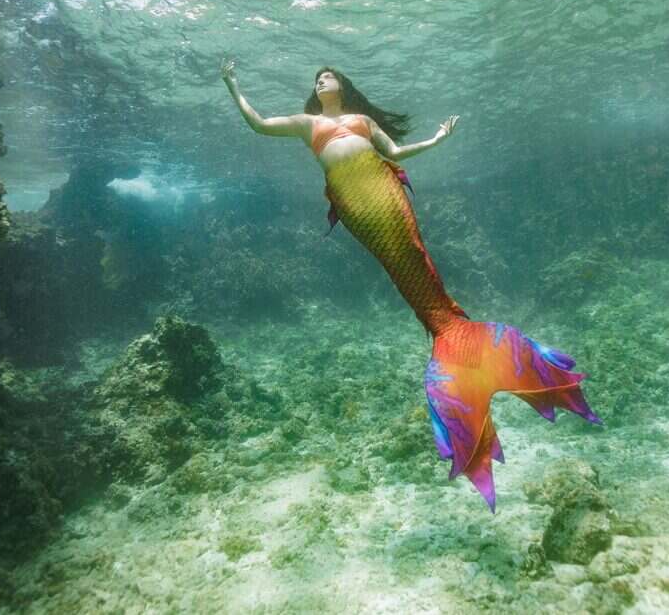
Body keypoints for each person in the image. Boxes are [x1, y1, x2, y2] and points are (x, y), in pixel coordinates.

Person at [220, 59, 601, 511]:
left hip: (385, 192)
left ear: (342, 85)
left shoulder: (362, 121)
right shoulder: (306, 124)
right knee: (401, 269)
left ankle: (457, 338)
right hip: (354, 205)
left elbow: (395, 155)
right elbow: (260, 124)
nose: (321, 80)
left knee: (420, 267)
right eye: (316, 79)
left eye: (328, 75)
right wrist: (232, 85)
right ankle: (460, 348)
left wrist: (438, 139)